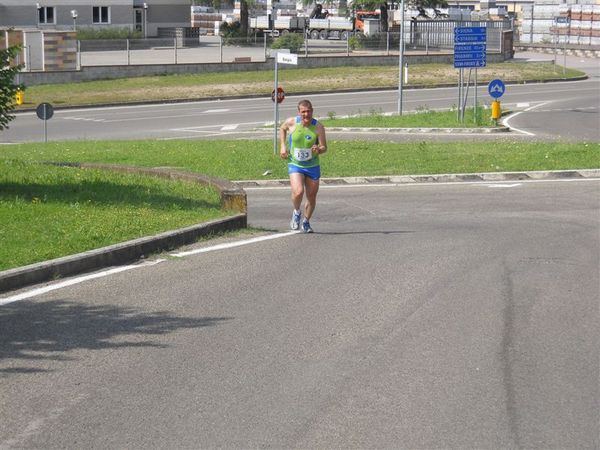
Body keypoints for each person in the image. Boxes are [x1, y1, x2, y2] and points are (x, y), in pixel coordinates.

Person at [279, 99, 327, 233]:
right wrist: (283, 146)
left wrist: (319, 148)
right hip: (295, 164)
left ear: (312, 111)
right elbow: (282, 128)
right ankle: (296, 212)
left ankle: (306, 221)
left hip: (312, 166)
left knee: (311, 196)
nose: (306, 114)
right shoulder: (292, 122)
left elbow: (324, 147)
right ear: (299, 112)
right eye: (303, 112)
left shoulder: (318, 127)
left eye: (309, 111)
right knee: (298, 191)